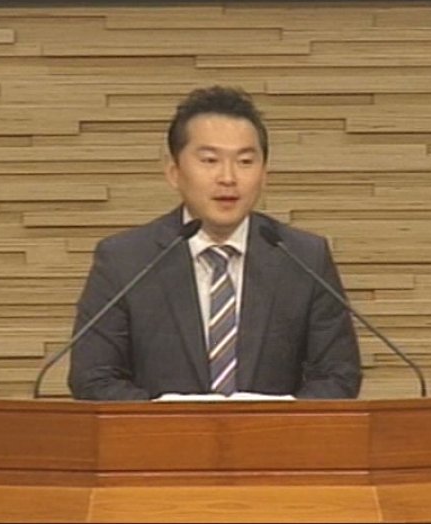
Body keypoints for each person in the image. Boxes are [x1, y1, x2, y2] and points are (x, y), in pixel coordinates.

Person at [68, 86, 361, 400]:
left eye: (245, 161)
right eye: (209, 160)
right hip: (159, 433)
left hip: (276, 432)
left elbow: (339, 376)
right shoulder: (125, 260)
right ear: (174, 172)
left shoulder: (303, 257)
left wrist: (275, 420)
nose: (228, 178)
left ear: (265, 174)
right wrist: (173, 420)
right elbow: (93, 378)